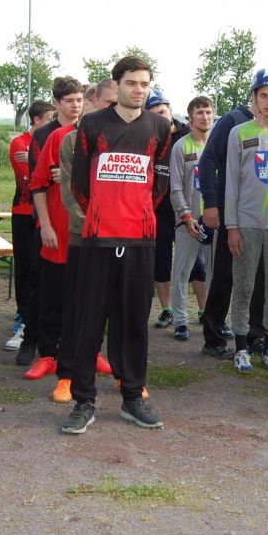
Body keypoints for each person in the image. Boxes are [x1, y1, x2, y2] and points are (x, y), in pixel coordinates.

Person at [62, 57, 171, 434]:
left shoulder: (160, 127)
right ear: (117, 84)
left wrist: (136, 213)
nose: (138, 90)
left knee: (134, 321)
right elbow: (79, 184)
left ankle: (132, 396)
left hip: (140, 239)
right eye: (131, 83)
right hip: (98, 239)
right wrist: (104, 214)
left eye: (144, 84)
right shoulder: (92, 125)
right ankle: (83, 401)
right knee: (89, 320)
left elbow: (160, 183)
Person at [51, 83, 118, 403]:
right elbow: (69, 190)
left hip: (123, 237)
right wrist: (95, 226)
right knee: (78, 308)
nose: (114, 109)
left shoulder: (127, 137)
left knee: (119, 308)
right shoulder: (72, 140)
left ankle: (124, 373)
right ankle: (67, 375)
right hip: (85, 237)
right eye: (108, 102)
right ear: (92, 102)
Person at [197, 82, 268, 360]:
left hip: (263, 217)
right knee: (226, 275)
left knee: (259, 277)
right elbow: (208, 161)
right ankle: (213, 336)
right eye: (263, 95)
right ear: (254, 96)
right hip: (232, 212)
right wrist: (211, 203)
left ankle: (255, 334)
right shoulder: (233, 120)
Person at [16, 76, 85, 366]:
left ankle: (74, 347)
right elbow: (38, 177)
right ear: (57, 103)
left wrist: (68, 174)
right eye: (69, 101)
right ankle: (31, 339)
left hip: (76, 224)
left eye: (79, 100)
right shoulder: (46, 134)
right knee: (40, 284)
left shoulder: (88, 131)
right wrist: (45, 222)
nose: (75, 106)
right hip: (45, 218)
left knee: (77, 289)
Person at [225, 68, 268, 373]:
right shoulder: (239, 132)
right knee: (244, 286)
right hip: (247, 222)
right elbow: (231, 181)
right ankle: (241, 348)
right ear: (254, 97)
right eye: (263, 95)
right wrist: (232, 226)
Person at [5, 100, 55, 352]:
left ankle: (40, 320)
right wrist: (45, 165)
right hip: (24, 212)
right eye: (50, 118)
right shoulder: (20, 142)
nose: (54, 123)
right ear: (37, 120)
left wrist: (39, 161)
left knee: (43, 268)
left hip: (47, 213)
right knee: (25, 266)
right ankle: (23, 316)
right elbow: (30, 180)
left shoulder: (49, 141)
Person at [168, 95, 216, 342]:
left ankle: (213, 319)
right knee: (182, 272)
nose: (204, 117)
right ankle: (180, 321)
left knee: (214, 274)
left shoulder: (218, 145)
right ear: (190, 117)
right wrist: (186, 217)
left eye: (208, 112)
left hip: (214, 220)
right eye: (199, 113)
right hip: (188, 221)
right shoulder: (181, 147)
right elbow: (175, 187)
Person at [147, 90, 194, 330]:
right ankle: (167, 309)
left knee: (196, 263)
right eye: (154, 114)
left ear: (171, 110)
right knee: (162, 260)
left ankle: (203, 308)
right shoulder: (148, 137)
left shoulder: (186, 134)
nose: (160, 117)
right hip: (160, 208)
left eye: (163, 112)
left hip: (187, 207)